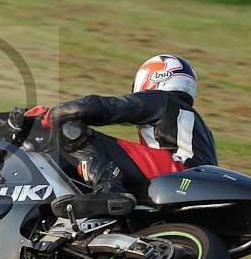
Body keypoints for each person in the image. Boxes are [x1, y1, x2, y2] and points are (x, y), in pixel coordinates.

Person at [23, 54, 217, 219]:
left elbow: (100, 107)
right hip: (193, 184)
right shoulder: (197, 125)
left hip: (177, 172)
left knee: (70, 130)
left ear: (157, 76)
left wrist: (49, 115)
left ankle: (109, 190)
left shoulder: (163, 100)